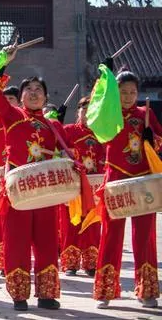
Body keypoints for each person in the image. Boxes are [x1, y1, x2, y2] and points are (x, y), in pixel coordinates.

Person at [0, 46, 64, 311]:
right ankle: (19, 295)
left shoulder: (53, 126)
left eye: (38, 90)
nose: (33, 93)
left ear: (46, 97)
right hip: (19, 191)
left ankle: (46, 294)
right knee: (17, 242)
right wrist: (2, 64)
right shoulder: (13, 117)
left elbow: (69, 154)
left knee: (47, 243)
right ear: (20, 98)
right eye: (28, 89)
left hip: (45, 193)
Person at [94, 69, 161, 309]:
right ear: (116, 93)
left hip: (143, 180)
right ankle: (105, 291)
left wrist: (152, 138)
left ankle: (146, 290)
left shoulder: (146, 114)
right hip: (115, 178)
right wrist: (104, 79)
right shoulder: (108, 113)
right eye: (123, 92)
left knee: (145, 236)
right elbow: (95, 118)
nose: (129, 96)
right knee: (111, 235)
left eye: (133, 92)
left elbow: (159, 142)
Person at [59, 96, 104, 278]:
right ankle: (71, 263)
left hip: (94, 186)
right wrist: (56, 121)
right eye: (84, 109)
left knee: (93, 224)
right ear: (78, 112)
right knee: (72, 223)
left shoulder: (102, 135)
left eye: (91, 110)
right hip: (74, 186)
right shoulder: (69, 130)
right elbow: (55, 143)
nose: (87, 113)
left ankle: (91, 263)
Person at [0, 86, 20, 275]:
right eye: (5, 100)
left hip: (18, 176)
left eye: (12, 100)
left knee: (16, 221)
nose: (8, 103)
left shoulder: (23, 122)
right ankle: (3, 261)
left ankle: (16, 260)